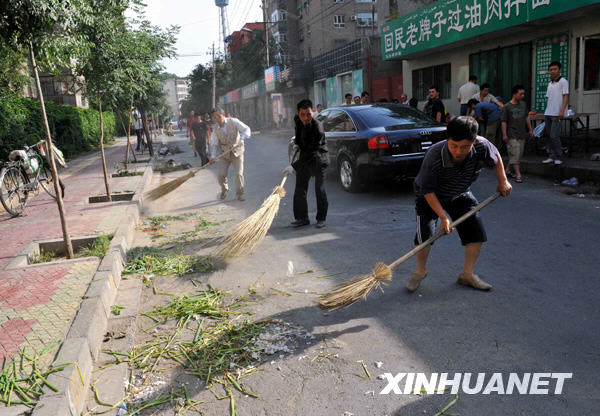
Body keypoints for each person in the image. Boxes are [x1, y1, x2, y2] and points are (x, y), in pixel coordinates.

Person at [406, 116, 512, 292]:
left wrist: (503, 181)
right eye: (454, 146)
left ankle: (467, 275)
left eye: (464, 147)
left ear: (473, 141)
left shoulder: (481, 145)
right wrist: (443, 217)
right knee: (424, 237)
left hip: (460, 193)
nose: (458, 151)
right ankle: (420, 271)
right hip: (430, 196)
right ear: (447, 139)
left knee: (476, 233)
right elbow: (427, 191)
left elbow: (496, 156)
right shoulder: (434, 155)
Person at [289, 99, 329, 229]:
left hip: (318, 159)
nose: (306, 118)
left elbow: (312, 151)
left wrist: (293, 166)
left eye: (309, 114)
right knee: (300, 188)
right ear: (298, 113)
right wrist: (297, 144)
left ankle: (321, 218)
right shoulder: (297, 120)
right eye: (303, 115)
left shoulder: (318, 128)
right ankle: (302, 218)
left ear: (313, 112)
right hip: (305, 156)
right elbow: (299, 136)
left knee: (319, 189)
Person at [209, 108, 251, 201]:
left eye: (219, 116)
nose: (217, 119)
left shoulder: (234, 121)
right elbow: (215, 144)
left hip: (237, 152)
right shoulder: (215, 129)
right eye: (215, 118)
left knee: (239, 174)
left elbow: (247, 129)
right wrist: (212, 156)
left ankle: (240, 194)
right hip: (225, 154)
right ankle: (224, 189)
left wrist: (242, 138)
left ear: (223, 115)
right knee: (221, 175)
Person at [502, 85, 533, 183]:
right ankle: (518, 175)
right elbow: (504, 121)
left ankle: (507, 170)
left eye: (523, 94)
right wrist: (504, 134)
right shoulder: (507, 107)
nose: (522, 96)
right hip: (512, 133)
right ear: (514, 94)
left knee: (518, 155)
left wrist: (530, 129)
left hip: (522, 133)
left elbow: (527, 117)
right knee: (515, 153)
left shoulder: (523, 104)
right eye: (521, 94)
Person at [543, 61, 569, 165]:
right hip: (548, 113)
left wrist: (562, 111)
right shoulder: (550, 83)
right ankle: (551, 156)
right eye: (551, 69)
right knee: (550, 136)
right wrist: (545, 111)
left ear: (559, 70)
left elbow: (566, 96)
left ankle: (559, 156)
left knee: (554, 136)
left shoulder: (563, 81)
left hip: (557, 113)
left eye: (555, 69)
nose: (553, 71)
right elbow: (549, 99)